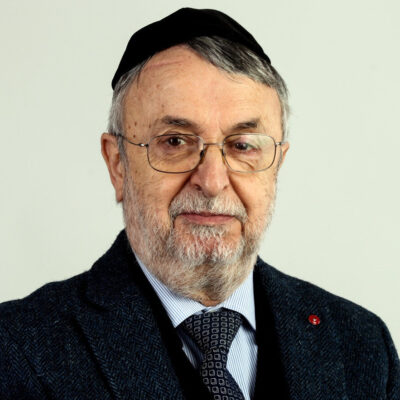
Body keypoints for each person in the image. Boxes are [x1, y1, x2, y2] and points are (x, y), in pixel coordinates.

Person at [0, 7, 398, 400]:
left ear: (276, 164)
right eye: (175, 142)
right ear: (118, 163)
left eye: (242, 146)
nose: (212, 181)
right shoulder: (18, 352)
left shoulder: (360, 344)